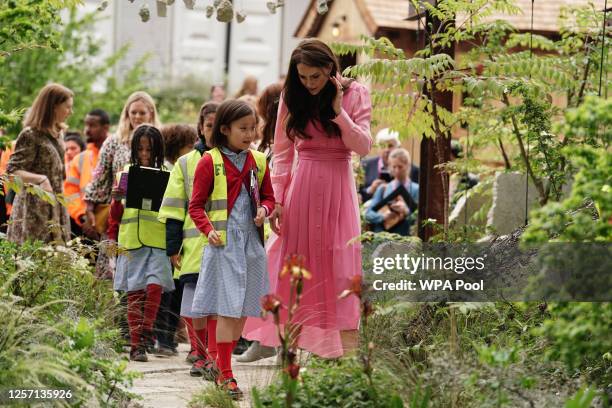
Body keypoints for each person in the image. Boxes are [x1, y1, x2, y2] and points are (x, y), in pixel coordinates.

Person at [243, 39, 372, 358]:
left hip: (339, 187)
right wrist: (279, 201)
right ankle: (289, 356)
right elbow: (283, 155)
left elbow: (363, 146)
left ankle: (344, 357)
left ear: (330, 69)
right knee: (295, 266)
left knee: (341, 267)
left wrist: (339, 114)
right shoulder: (292, 95)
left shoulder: (357, 93)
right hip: (302, 188)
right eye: (303, 77)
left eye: (315, 76)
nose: (309, 83)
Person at [188, 100, 274, 399]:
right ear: (224, 129)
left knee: (242, 312)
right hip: (224, 245)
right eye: (243, 129)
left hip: (251, 244)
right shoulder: (208, 162)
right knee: (227, 309)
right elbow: (195, 206)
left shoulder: (259, 161)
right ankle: (226, 374)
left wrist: (265, 209)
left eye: (253, 128)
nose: (250, 134)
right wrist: (208, 230)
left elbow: (269, 198)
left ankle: (217, 363)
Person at [158, 102, 219, 373]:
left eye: (220, 127)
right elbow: (172, 208)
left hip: (224, 246)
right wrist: (173, 247)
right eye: (209, 126)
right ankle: (197, 350)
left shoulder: (238, 159)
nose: (214, 131)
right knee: (192, 301)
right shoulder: (184, 164)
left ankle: (210, 354)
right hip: (193, 247)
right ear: (200, 128)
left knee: (217, 305)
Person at [107, 125, 174, 362]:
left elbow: (175, 208)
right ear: (134, 149)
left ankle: (146, 330)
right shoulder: (125, 173)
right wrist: (115, 200)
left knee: (155, 287)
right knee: (135, 292)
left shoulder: (169, 172)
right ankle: (137, 344)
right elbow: (115, 215)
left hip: (157, 239)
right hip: (132, 239)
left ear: (158, 150)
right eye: (141, 149)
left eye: (150, 149)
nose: (145, 153)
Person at [84, 91, 160, 278]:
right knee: (110, 271)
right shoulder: (114, 142)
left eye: (141, 113)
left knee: (146, 275)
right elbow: (100, 175)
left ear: (151, 113)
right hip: (119, 213)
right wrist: (90, 205)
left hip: (151, 216)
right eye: (132, 112)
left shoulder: (160, 138)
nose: (136, 117)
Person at [237, 83, 283, 363]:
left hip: (278, 215)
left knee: (276, 277)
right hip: (264, 217)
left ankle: (277, 343)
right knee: (267, 278)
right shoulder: (267, 141)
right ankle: (265, 339)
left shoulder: (288, 138)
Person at [6, 83, 73, 244]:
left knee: (58, 262)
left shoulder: (59, 133)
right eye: (67, 107)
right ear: (53, 106)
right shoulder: (31, 134)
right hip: (33, 212)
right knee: (35, 260)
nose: (71, 112)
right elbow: (12, 172)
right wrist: (40, 179)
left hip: (56, 206)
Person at [154, 123, 198, 356]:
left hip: (182, 240)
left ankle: (169, 338)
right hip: (166, 239)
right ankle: (164, 337)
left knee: (177, 292)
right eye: (188, 146)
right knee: (168, 293)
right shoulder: (172, 169)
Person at [64, 109, 110, 239]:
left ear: (105, 128)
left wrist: (101, 221)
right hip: (84, 227)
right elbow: (70, 194)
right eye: (86, 125)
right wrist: (84, 217)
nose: (86, 130)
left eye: (92, 125)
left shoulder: (116, 155)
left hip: (111, 227)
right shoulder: (80, 159)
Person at [365, 148, 419, 236]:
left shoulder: (416, 189)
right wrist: (383, 216)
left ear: (408, 166)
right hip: (382, 238)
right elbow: (368, 214)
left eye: (400, 166)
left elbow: (420, 219)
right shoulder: (383, 189)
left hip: (405, 240)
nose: (397, 170)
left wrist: (406, 211)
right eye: (394, 167)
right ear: (389, 167)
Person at [360, 128, 419, 202]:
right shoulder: (365, 165)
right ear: (378, 148)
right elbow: (358, 194)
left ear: (398, 147)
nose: (386, 150)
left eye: (390, 146)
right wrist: (370, 190)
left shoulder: (413, 170)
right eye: (383, 146)